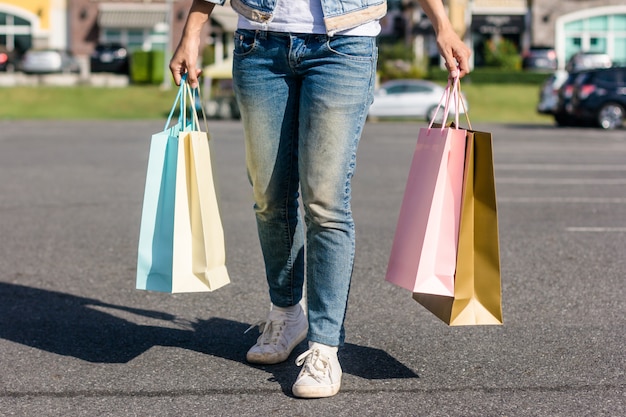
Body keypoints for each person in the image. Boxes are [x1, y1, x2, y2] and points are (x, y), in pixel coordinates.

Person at [170, 0, 471, 399]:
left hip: (344, 44)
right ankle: (286, 313)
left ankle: (325, 345)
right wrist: (193, 31)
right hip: (260, 42)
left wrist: (442, 25)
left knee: (325, 201)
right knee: (268, 196)